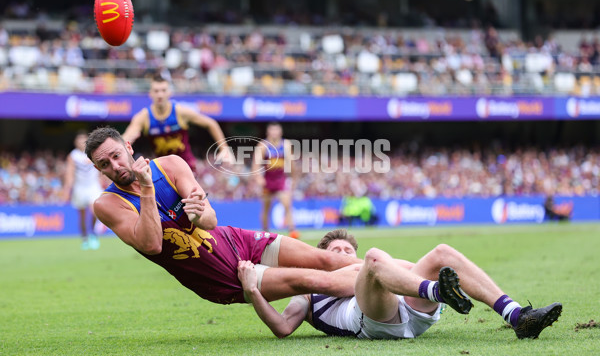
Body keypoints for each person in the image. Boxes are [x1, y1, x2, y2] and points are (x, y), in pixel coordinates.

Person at [85, 127, 361, 306]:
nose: (115, 166)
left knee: (326, 259)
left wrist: (199, 215)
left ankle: (394, 273)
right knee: (312, 280)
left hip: (236, 239)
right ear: (98, 169)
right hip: (222, 277)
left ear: (129, 147)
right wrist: (146, 187)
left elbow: (210, 220)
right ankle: (385, 287)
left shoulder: (170, 165)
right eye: (104, 164)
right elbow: (151, 245)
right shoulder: (108, 204)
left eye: (117, 155)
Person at [238, 229, 562, 340]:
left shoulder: (366, 267)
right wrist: (253, 290)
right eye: (334, 252)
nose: (342, 255)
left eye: (348, 251)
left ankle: (517, 316)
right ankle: (438, 292)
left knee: (442, 253)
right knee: (378, 257)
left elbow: (400, 268)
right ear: (321, 256)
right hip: (371, 321)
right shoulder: (309, 292)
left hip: (408, 309)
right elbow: (282, 327)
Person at [122, 73, 232, 173]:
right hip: (163, 170)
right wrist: (124, 143)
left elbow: (211, 123)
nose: (160, 94)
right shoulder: (143, 117)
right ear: (150, 93)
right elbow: (127, 136)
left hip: (187, 167)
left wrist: (224, 148)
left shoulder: (180, 112)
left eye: (163, 90)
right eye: (156, 91)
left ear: (169, 92)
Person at [251, 122, 298, 238]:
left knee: (287, 204)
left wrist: (294, 178)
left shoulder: (286, 144)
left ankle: (292, 231)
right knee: (266, 207)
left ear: (280, 132)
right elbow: (255, 165)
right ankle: (265, 232)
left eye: (276, 130)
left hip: (280, 180)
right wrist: (258, 178)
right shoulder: (262, 146)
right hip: (268, 181)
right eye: (272, 130)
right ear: (268, 132)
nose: (274, 133)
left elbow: (292, 164)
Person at [62, 131, 104, 250]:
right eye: (79, 140)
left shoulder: (94, 152)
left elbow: (101, 168)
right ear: (75, 143)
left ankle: (94, 234)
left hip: (93, 187)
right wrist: (67, 189)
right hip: (79, 188)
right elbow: (70, 173)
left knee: (95, 211)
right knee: (82, 216)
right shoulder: (73, 156)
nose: (81, 142)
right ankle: (85, 238)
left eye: (83, 140)